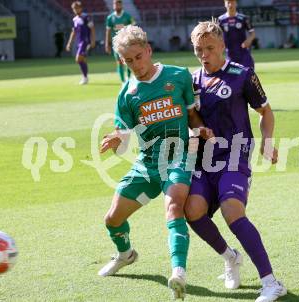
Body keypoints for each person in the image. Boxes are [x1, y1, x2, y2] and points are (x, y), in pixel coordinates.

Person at [97, 25, 214, 300]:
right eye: (128, 61)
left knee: (174, 207)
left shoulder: (179, 76)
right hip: (148, 163)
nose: (135, 65)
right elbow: (124, 141)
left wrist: (201, 130)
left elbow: (192, 116)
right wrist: (117, 140)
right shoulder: (127, 94)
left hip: (179, 156)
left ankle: (178, 272)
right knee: (112, 219)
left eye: (138, 57)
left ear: (148, 51)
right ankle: (126, 254)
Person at [185, 20, 287, 302]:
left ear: (222, 47)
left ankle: (271, 282)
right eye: (198, 49)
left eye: (209, 48)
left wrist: (267, 141)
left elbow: (265, 112)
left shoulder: (242, 74)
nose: (204, 54)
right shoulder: (191, 81)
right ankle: (230, 258)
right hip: (203, 161)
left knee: (232, 211)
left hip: (235, 156)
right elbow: (189, 120)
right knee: (192, 211)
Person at [218, 0, 256, 70]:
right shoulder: (221, 20)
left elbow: (252, 33)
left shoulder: (243, 18)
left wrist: (249, 40)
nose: (230, 5)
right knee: (233, 77)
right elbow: (217, 36)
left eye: (232, 2)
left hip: (243, 53)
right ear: (225, 4)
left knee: (248, 74)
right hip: (230, 55)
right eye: (228, 2)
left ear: (236, 3)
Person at [105, 0, 136, 83]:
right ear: (113, 5)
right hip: (116, 44)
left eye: (118, 3)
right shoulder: (110, 18)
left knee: (128, 60)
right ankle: (123, 81)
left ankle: (129, 77)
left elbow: (134, 27)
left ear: (121, 5)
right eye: (115, 3)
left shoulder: (128, 16)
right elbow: (108, 31)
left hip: (127, 43)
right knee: (119, 62)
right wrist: (107, 44)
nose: (116, 5)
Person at [66, 1, 96, 85]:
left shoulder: (86, 17)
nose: (75, 10)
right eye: (74, 9)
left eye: (77, 8)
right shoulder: (75, 19)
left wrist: (93, 40)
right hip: (79, 42)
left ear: (81, 8)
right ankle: (85, 77)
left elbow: (92, 28)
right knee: (81, 59)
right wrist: (69, 43)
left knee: (78, 59)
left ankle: (85, 77)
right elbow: (74, 32)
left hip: (85, 41)